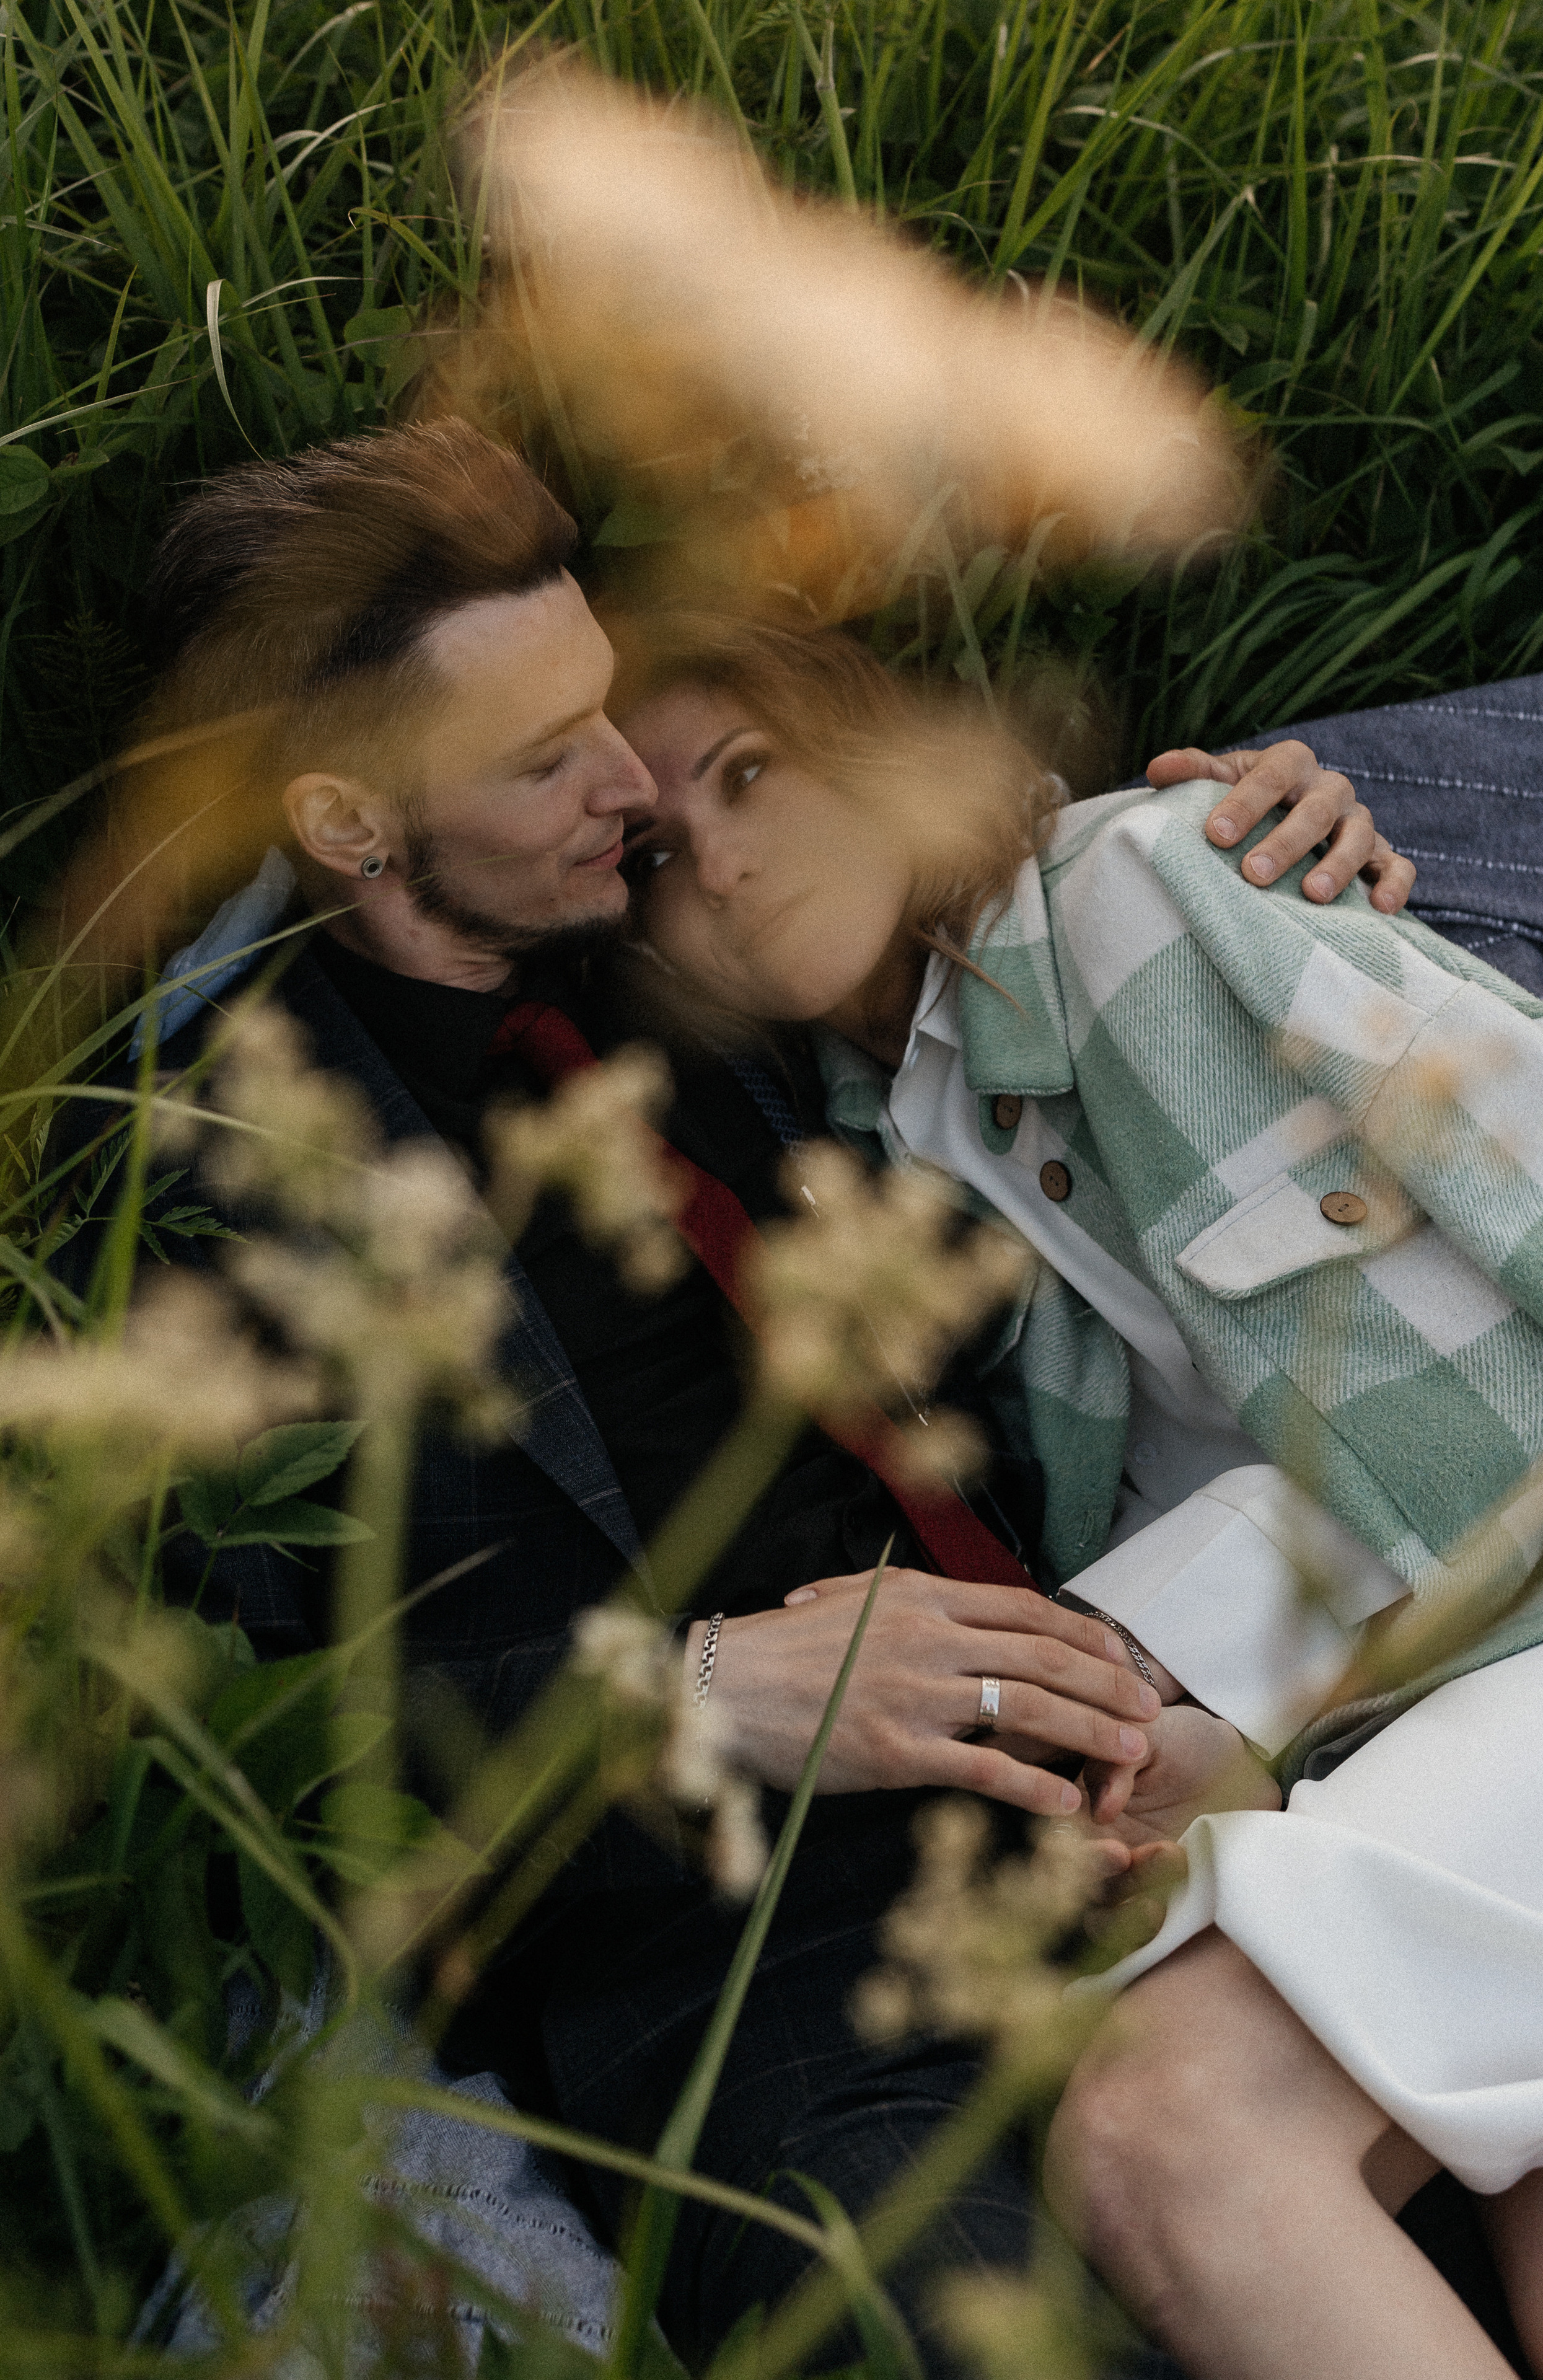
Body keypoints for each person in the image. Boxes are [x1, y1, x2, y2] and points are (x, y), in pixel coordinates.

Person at [51, 420, 1405, 2380]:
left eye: (605, 704)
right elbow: (250, 1754)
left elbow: (1003, 898)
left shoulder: (700, 930)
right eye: (543, 760)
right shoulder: (214, 1185)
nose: (630, 785)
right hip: (773, 1963)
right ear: (349, 829)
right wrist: (712, 1694)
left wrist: (1249, 845)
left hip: (1140, 1739)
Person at [611, 609, 1543, 2380]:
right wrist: (1195, 1721)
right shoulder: (874, 1160)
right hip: (1467, 1692)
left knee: (1169, 2139)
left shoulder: (1152, 880)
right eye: (661, 855)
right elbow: (1295, 1474)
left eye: (751, 773)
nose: (730, 866)